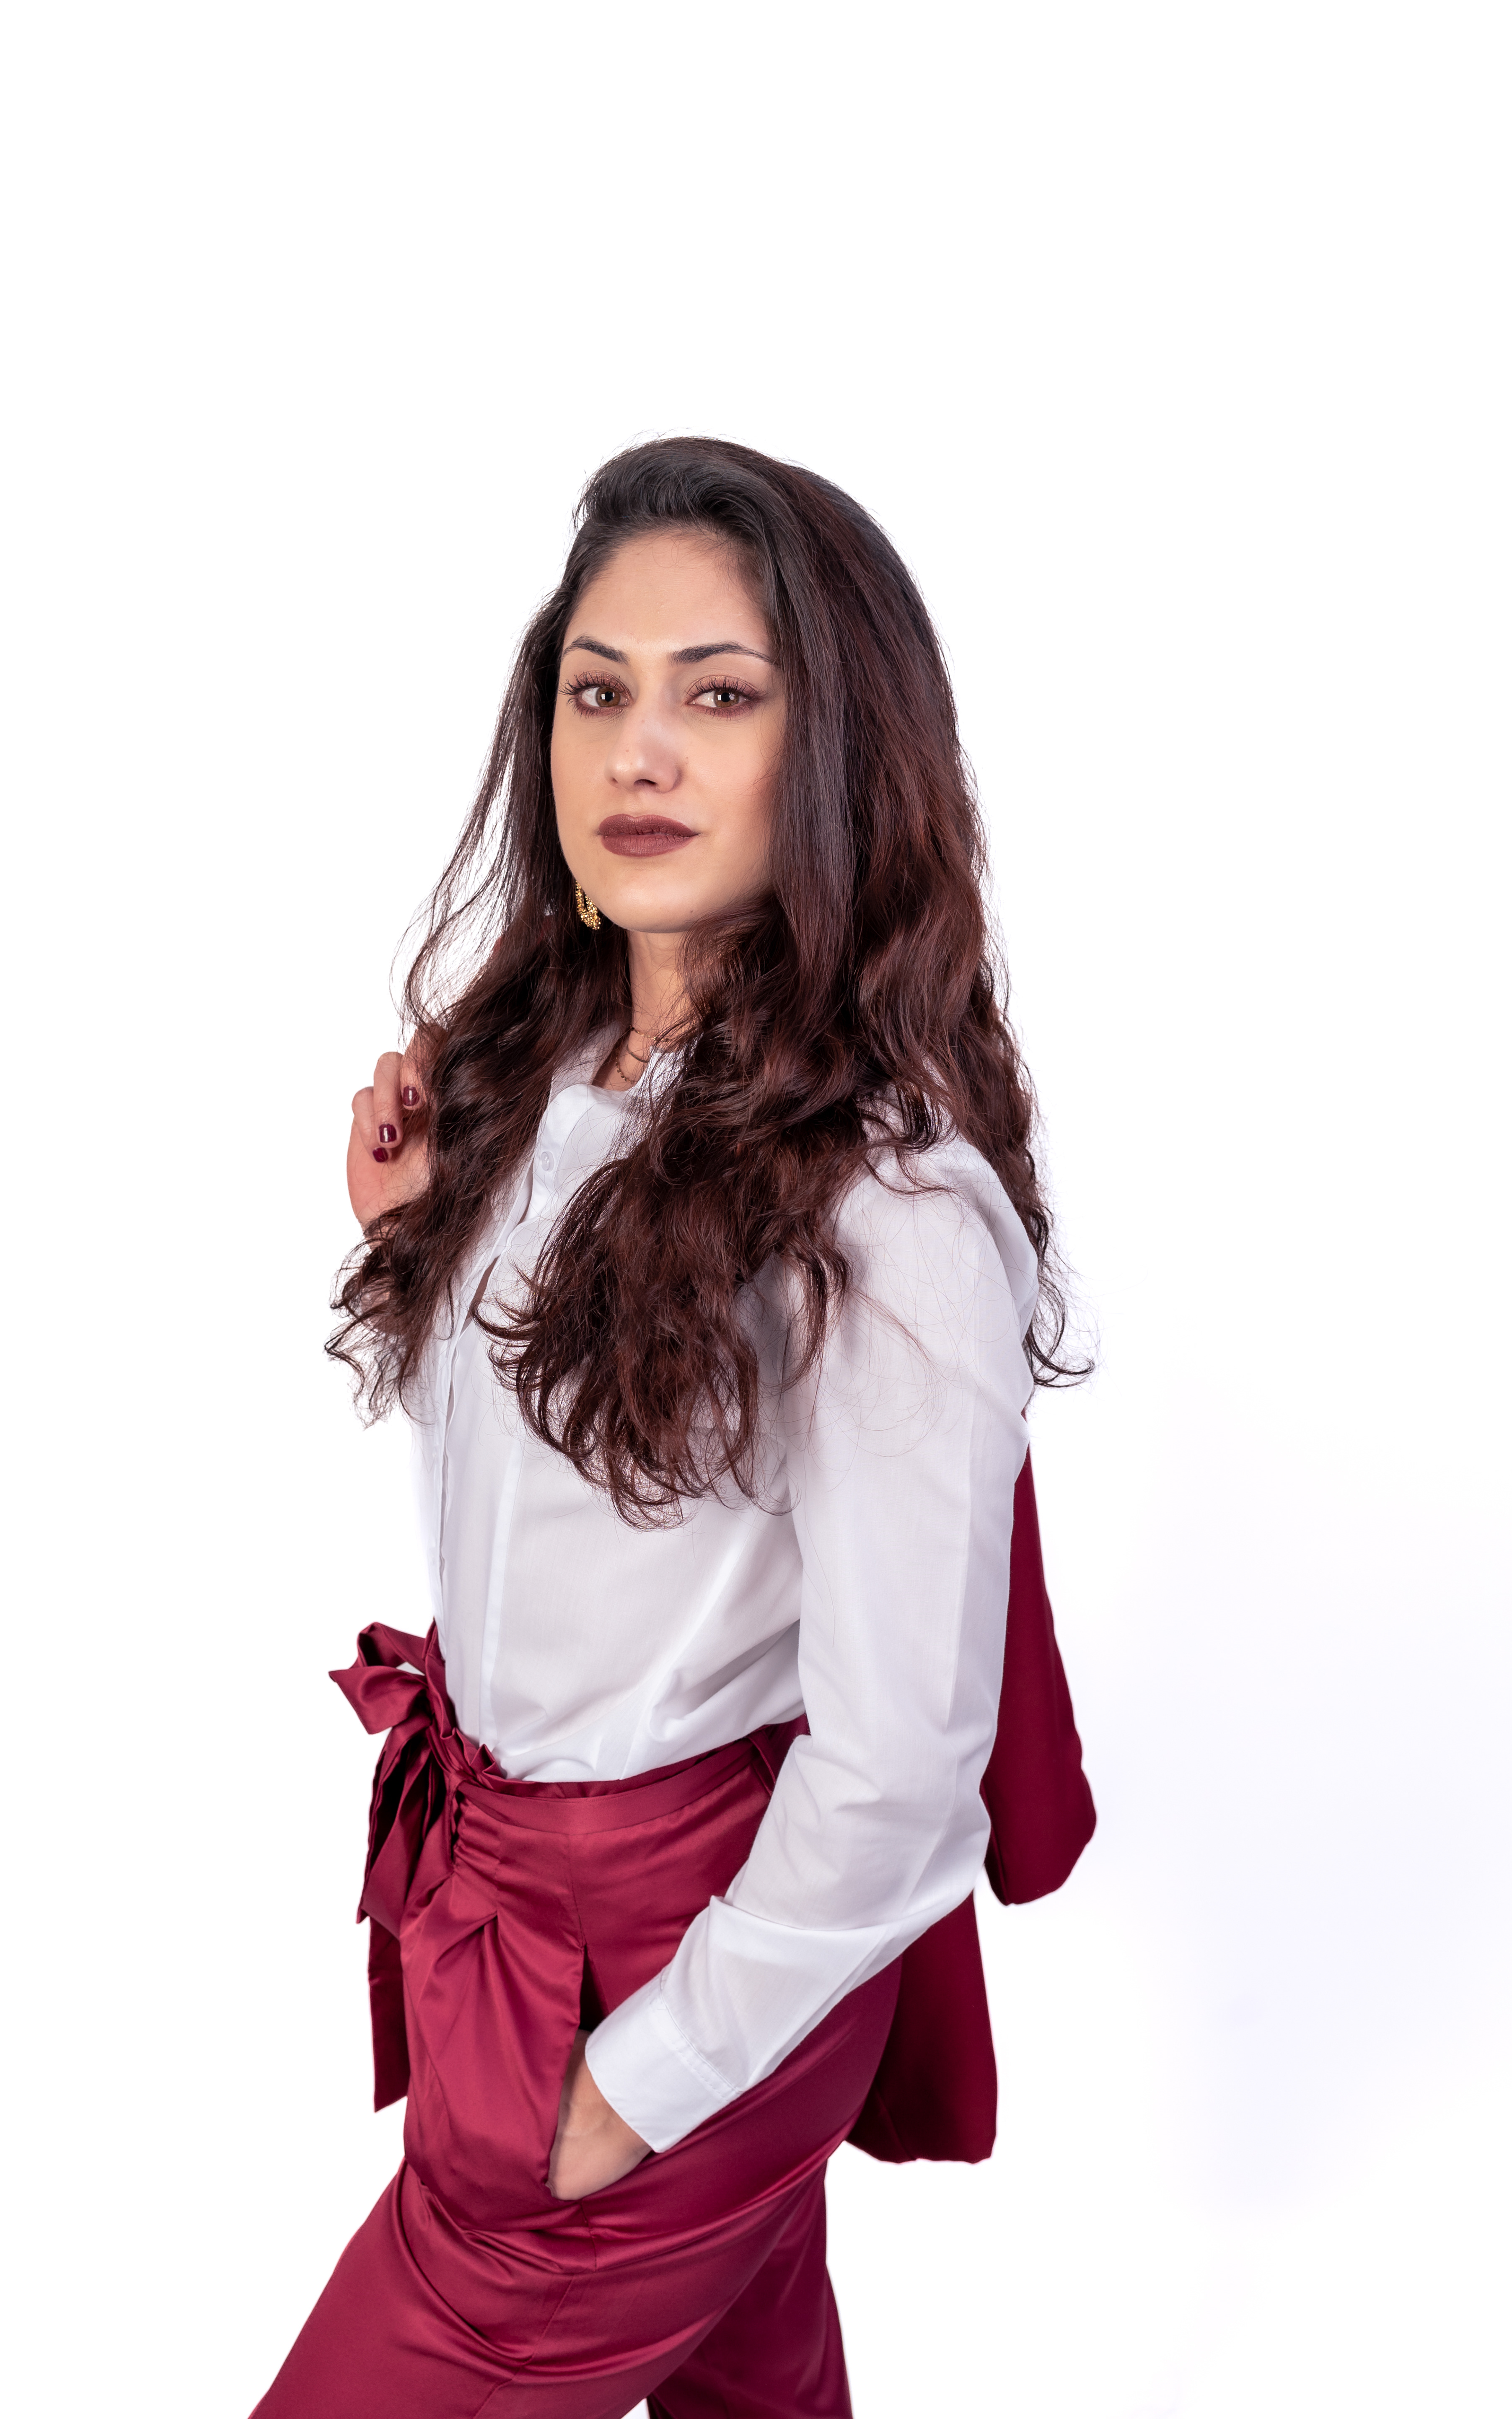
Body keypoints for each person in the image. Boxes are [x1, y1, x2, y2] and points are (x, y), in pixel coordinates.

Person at [251, 436, 1092, 2419]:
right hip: (517, 1912)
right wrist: (424, 1256)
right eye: (599, 688)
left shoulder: (890, 1208)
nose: (641, 750)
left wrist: (642, 2081)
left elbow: (903, 1768)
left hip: (662, 1964)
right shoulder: (544, 1069)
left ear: (836, 748)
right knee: (754, 2386)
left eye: (721, 694)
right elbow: (568, 1519)